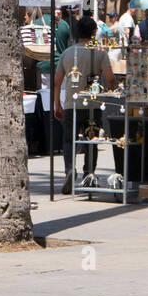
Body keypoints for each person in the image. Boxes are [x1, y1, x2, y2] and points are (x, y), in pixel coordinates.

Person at [52, 16, 115, 194]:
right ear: (94, 32)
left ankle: (70, 170)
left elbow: (57, 82)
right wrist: (112, 89)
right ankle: (89, 174)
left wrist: (57, 104)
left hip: (72, 104)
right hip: (92, 106)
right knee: (91, 141)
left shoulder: (67, 53)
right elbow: (110, 78)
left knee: (68, 141)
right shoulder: (100, 53)